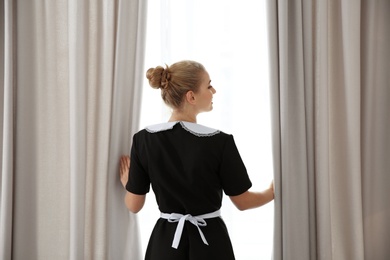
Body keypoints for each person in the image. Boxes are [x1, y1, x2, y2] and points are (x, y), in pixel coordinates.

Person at [119, 60, 274, 260]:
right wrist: (272, 192)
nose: (214, 90)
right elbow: (243, 202)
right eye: (209, 85)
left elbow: (134, 205)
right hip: (211, 243)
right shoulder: (220, 142)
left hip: (165, 245)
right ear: (191, 96)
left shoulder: (143, 139)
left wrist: (129, 184)